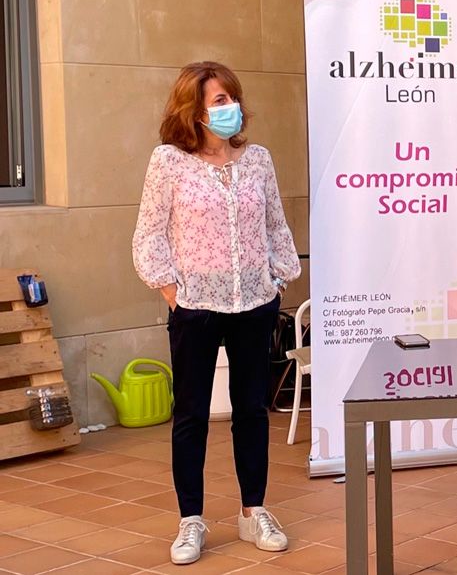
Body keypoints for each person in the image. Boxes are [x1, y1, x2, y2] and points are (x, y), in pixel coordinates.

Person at [133, 61, 301, 565]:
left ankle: (254, 512)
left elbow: (276, 225)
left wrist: (277, 278)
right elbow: (150, 232)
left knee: (252, 411)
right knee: (190, 416)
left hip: (254, 303)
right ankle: (191, 521)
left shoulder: (259, 160)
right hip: (195, 309)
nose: (231, 109)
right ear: (194, 111)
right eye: (218, 101)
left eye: (233, 98)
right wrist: (170, 292)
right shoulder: (168, 163)